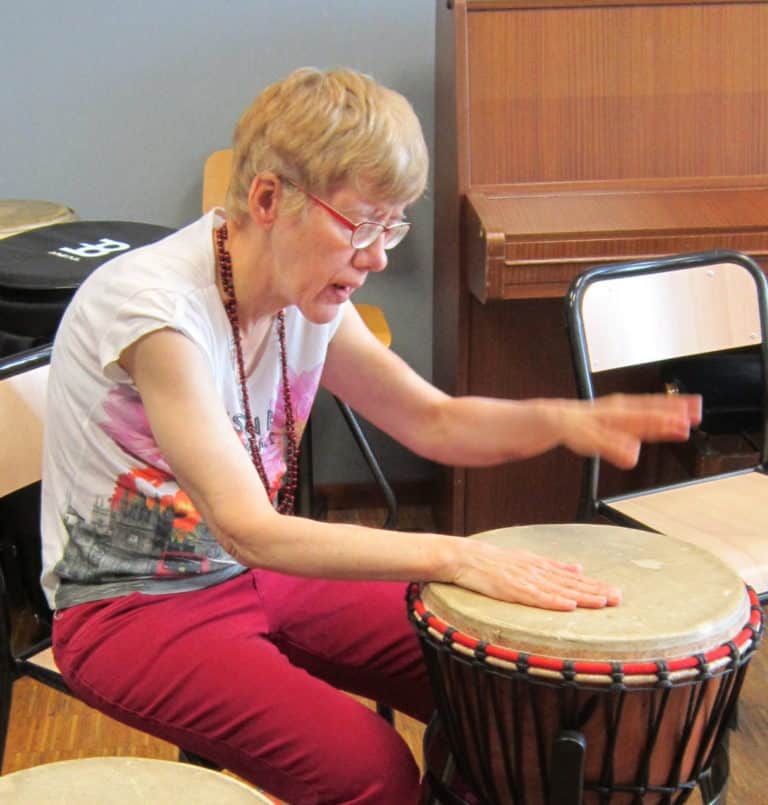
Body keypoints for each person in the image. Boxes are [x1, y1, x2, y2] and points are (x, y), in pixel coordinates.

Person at [40, 67, 701, 804]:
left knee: (500, 684)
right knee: (372, 770)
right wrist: (458, 554)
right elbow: (250, 528)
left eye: (394, 225)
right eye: (361, 222)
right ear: (268, 199)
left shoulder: (303, 292)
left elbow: (432, 419)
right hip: (131, 609)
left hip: (256, 571)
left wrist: (563, 419)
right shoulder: (156, 313)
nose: (380, 255)